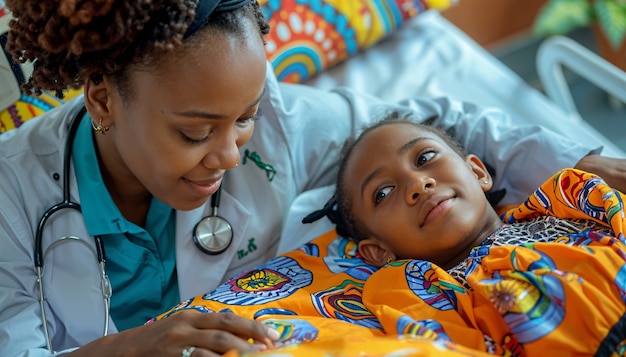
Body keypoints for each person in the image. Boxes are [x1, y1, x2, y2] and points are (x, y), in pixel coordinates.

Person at [0, 0, 624, 356]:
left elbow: (430, 128)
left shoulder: (278, 121)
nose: (229, 156)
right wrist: (131, 349)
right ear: (104, 100)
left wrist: (575, 167)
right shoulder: (12, 192)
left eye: (241, 120)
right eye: (194, 133)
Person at [332, 113, 625, 284]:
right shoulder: (428, 308)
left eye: (425, 157)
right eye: (383, 193)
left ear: (477, 171)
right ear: (379, 252)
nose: (418, 184)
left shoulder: (570, 201)